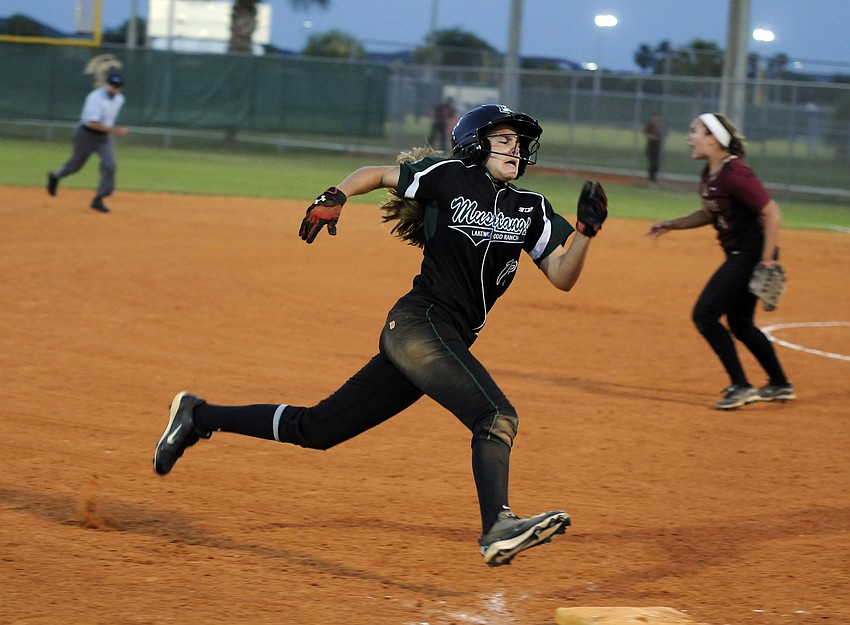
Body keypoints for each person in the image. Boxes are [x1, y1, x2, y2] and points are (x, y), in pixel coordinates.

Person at [152, 104, 609, 567]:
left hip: (441, 340)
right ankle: (498, 525)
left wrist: (587, 233)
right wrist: (336, 195)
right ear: (475, 143)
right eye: (504, 139)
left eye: (519, 142)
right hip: (418, 323)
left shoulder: (531, 208)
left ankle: (197, 415)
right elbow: (376, 174)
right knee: (494, 415)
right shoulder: (450, 176)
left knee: (317, 429)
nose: (516, 149)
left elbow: (562, 275)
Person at [646, 112, 794, 410]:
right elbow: (709, 212)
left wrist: (767, 262)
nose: (689, 137)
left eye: (695, 132)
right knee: (740, 323)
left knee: (705, 315)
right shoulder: (711, 173)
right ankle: (780, 383)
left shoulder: (735, 173)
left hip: (751, 255)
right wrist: (672, 224)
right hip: (741, 254)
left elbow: (772, 213)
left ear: (713, 140)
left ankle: (742, 386)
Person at [47, 73, 128, 213]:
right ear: (106, 84)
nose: (113, 88)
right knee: (76, 165)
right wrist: (115, 131)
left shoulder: (120, 99)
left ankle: (99, 199)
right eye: (111, 85)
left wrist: (110, 130)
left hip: (103, 137)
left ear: (121, 89)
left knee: (109, 165)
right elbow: (92, 123)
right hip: (86, 134)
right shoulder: (95, 97)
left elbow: (107, 121)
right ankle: (55, 175)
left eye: (117, 86)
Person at [642, 112, 665, 185]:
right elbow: (645, 134)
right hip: (651, 146)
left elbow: (666, 134)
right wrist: (653, 137)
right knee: (652, 163)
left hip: (658, 147)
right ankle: (651, 180)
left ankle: (654, 179)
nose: (657, 119)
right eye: (655, 117)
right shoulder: (650, 125)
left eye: (658, 118)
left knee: (657, 164)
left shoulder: (661, 125)